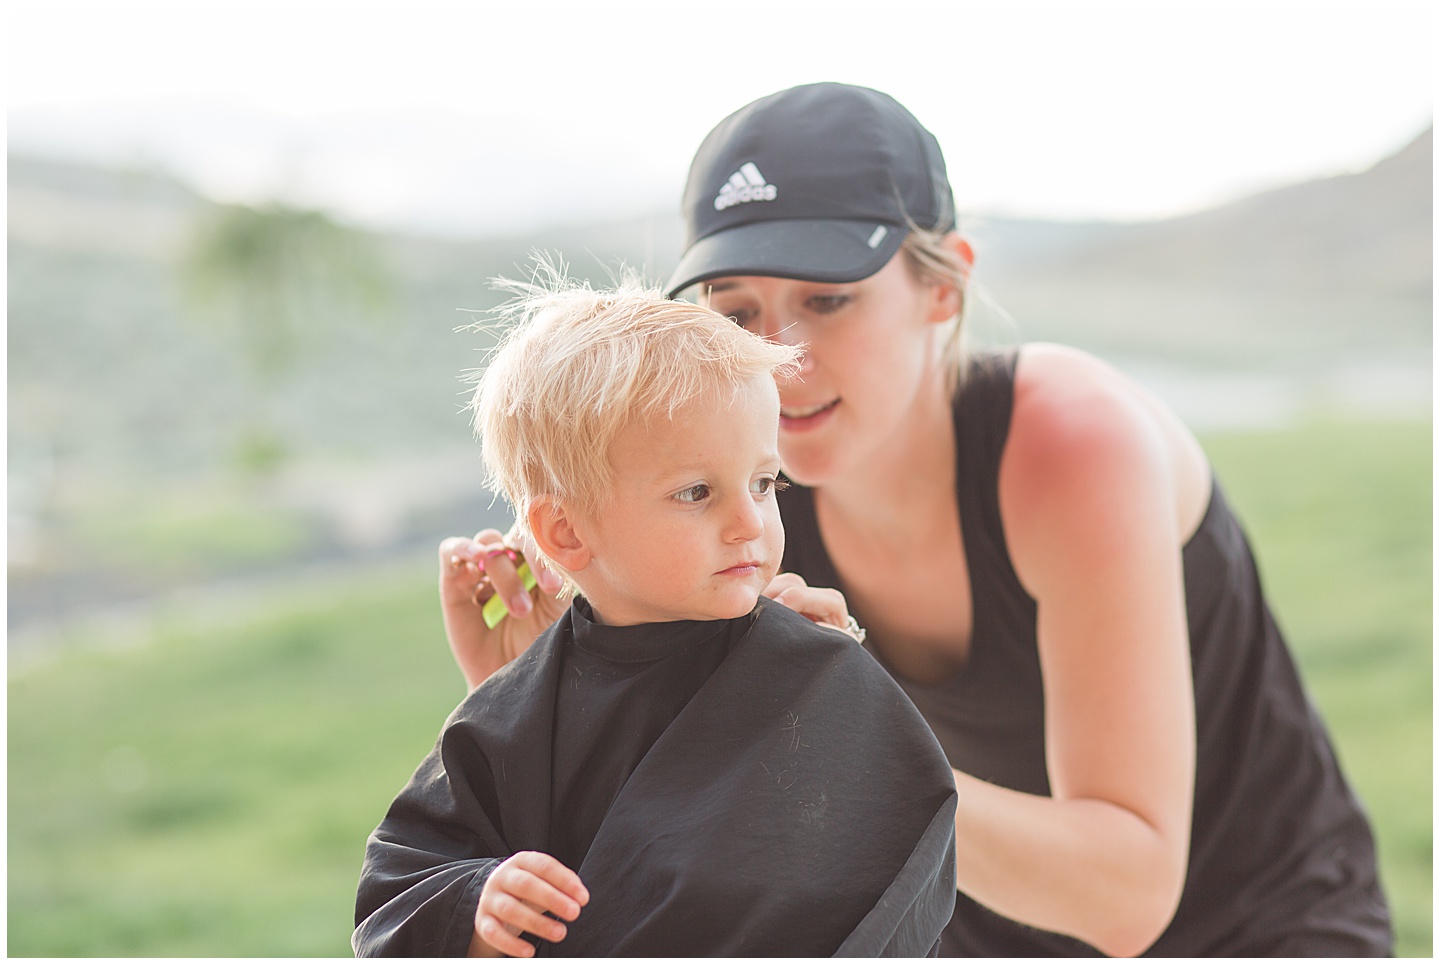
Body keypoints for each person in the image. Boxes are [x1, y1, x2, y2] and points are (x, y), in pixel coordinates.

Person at [442, 83, 1395, 956]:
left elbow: (1129, 892)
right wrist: (554, 712)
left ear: (945, 286)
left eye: (828, 299)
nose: (785, 356)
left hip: (1261, 927)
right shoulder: (747, 497)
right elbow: (679, 813)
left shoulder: (1070, 443)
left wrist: (834, 727)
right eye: (737, 310)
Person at [355, 269, 959, 957]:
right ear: (566, 534)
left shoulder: (816, 668)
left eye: (764, 482)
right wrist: (478, 905)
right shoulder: (514, 711)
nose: (748, 523)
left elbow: (898, 847)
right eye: (696, 492)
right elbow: (402, 883)